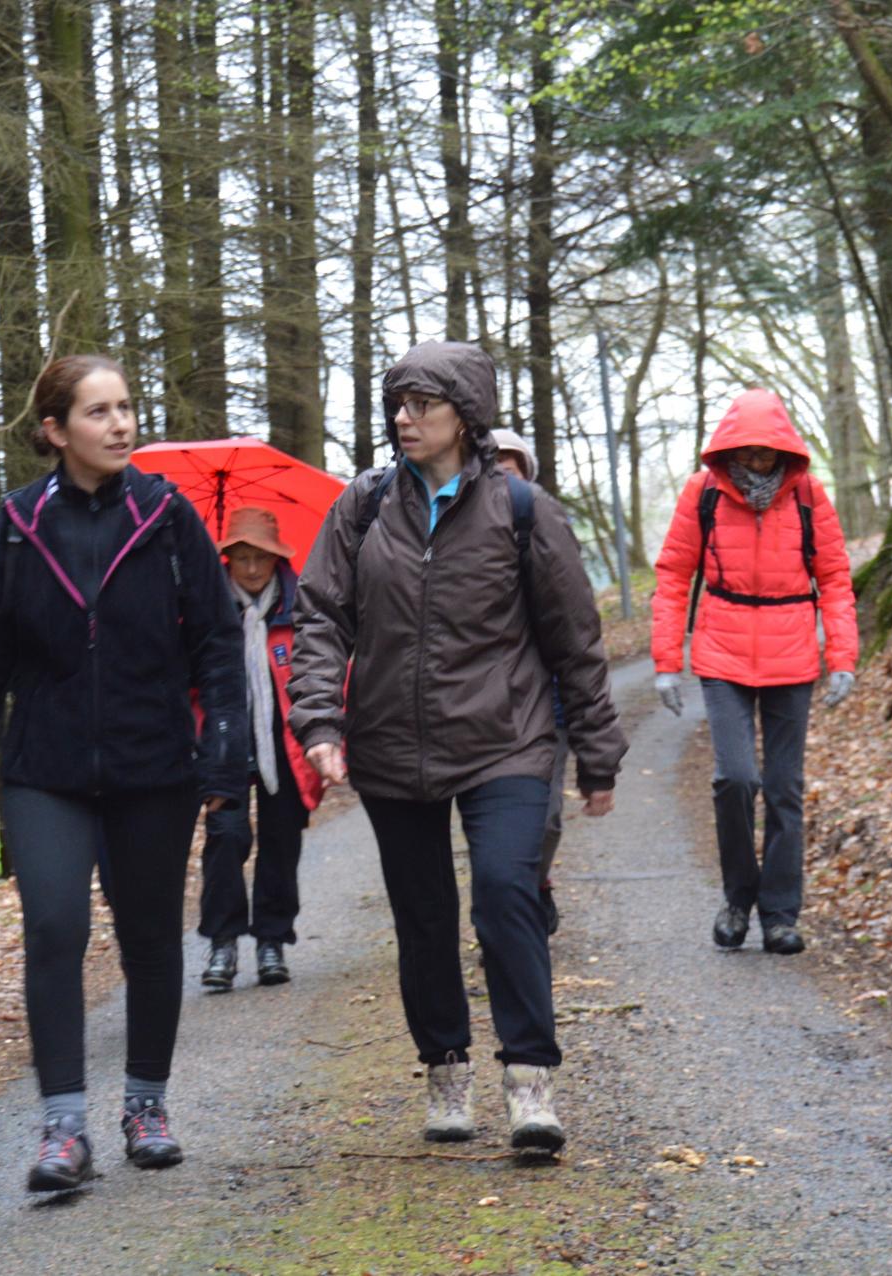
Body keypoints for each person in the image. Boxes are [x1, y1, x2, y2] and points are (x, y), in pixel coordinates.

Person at [290, 342, 627, 1153]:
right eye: (397, 405)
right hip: (392, 745)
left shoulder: (520, 509)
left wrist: (597, 752)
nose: (404, 420)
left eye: (422, 406)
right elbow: (319, 618)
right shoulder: (363, 507)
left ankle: (530, 1083)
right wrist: (320, 724)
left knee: (507, 893)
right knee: (424, 918)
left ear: (465, 416)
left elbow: (574, 637)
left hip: (504, 738)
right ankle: (445, 1069)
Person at [0, 354, 247, 1192]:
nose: (120, 424)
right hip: (47, 770)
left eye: (127, 408)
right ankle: (62, 1129)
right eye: (99, 412)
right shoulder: (18, 523)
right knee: (56, 928)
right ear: (55, 430)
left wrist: (224, 747)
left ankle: (146, 1107)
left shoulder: (166, 516)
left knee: (149, 939)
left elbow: (217, 641)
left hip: (153, 766)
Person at [649, 387, 858, 957]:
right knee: (736, 779)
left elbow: (835, 578)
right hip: (722, 653)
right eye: (749, 449)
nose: (759, 460)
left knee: (785, 789)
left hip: (792, 655)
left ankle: (781, 915)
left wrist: (842, 657)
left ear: (784, 448)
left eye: (769, 450)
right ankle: (737, 900)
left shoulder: (809, 495)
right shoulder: (704, 494)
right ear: (731, 447)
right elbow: (672, 577)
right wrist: (667, 664)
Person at [198, 506, 326, 991]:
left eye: (262, 558)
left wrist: (324, 736)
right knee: (225, 836)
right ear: (227, 558)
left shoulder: (299, 607)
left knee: (281, 840)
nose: (252, 568)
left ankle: (272, 939)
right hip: (224, 740)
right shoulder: (207, 610)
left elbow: (321, 672)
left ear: (278, 559)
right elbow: (189, 684)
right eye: (242, 557)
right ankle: (223, 943)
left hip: (285, 741)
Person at [490, 428, 568, 937]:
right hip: (487, 712)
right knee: (497, 835)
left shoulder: (549, 529)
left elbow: (575, 627)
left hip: (548, 706)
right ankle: (507, 926)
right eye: (491, 464)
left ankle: (537, 883)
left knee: (548, 821)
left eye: (510, 466)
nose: (500, 474)